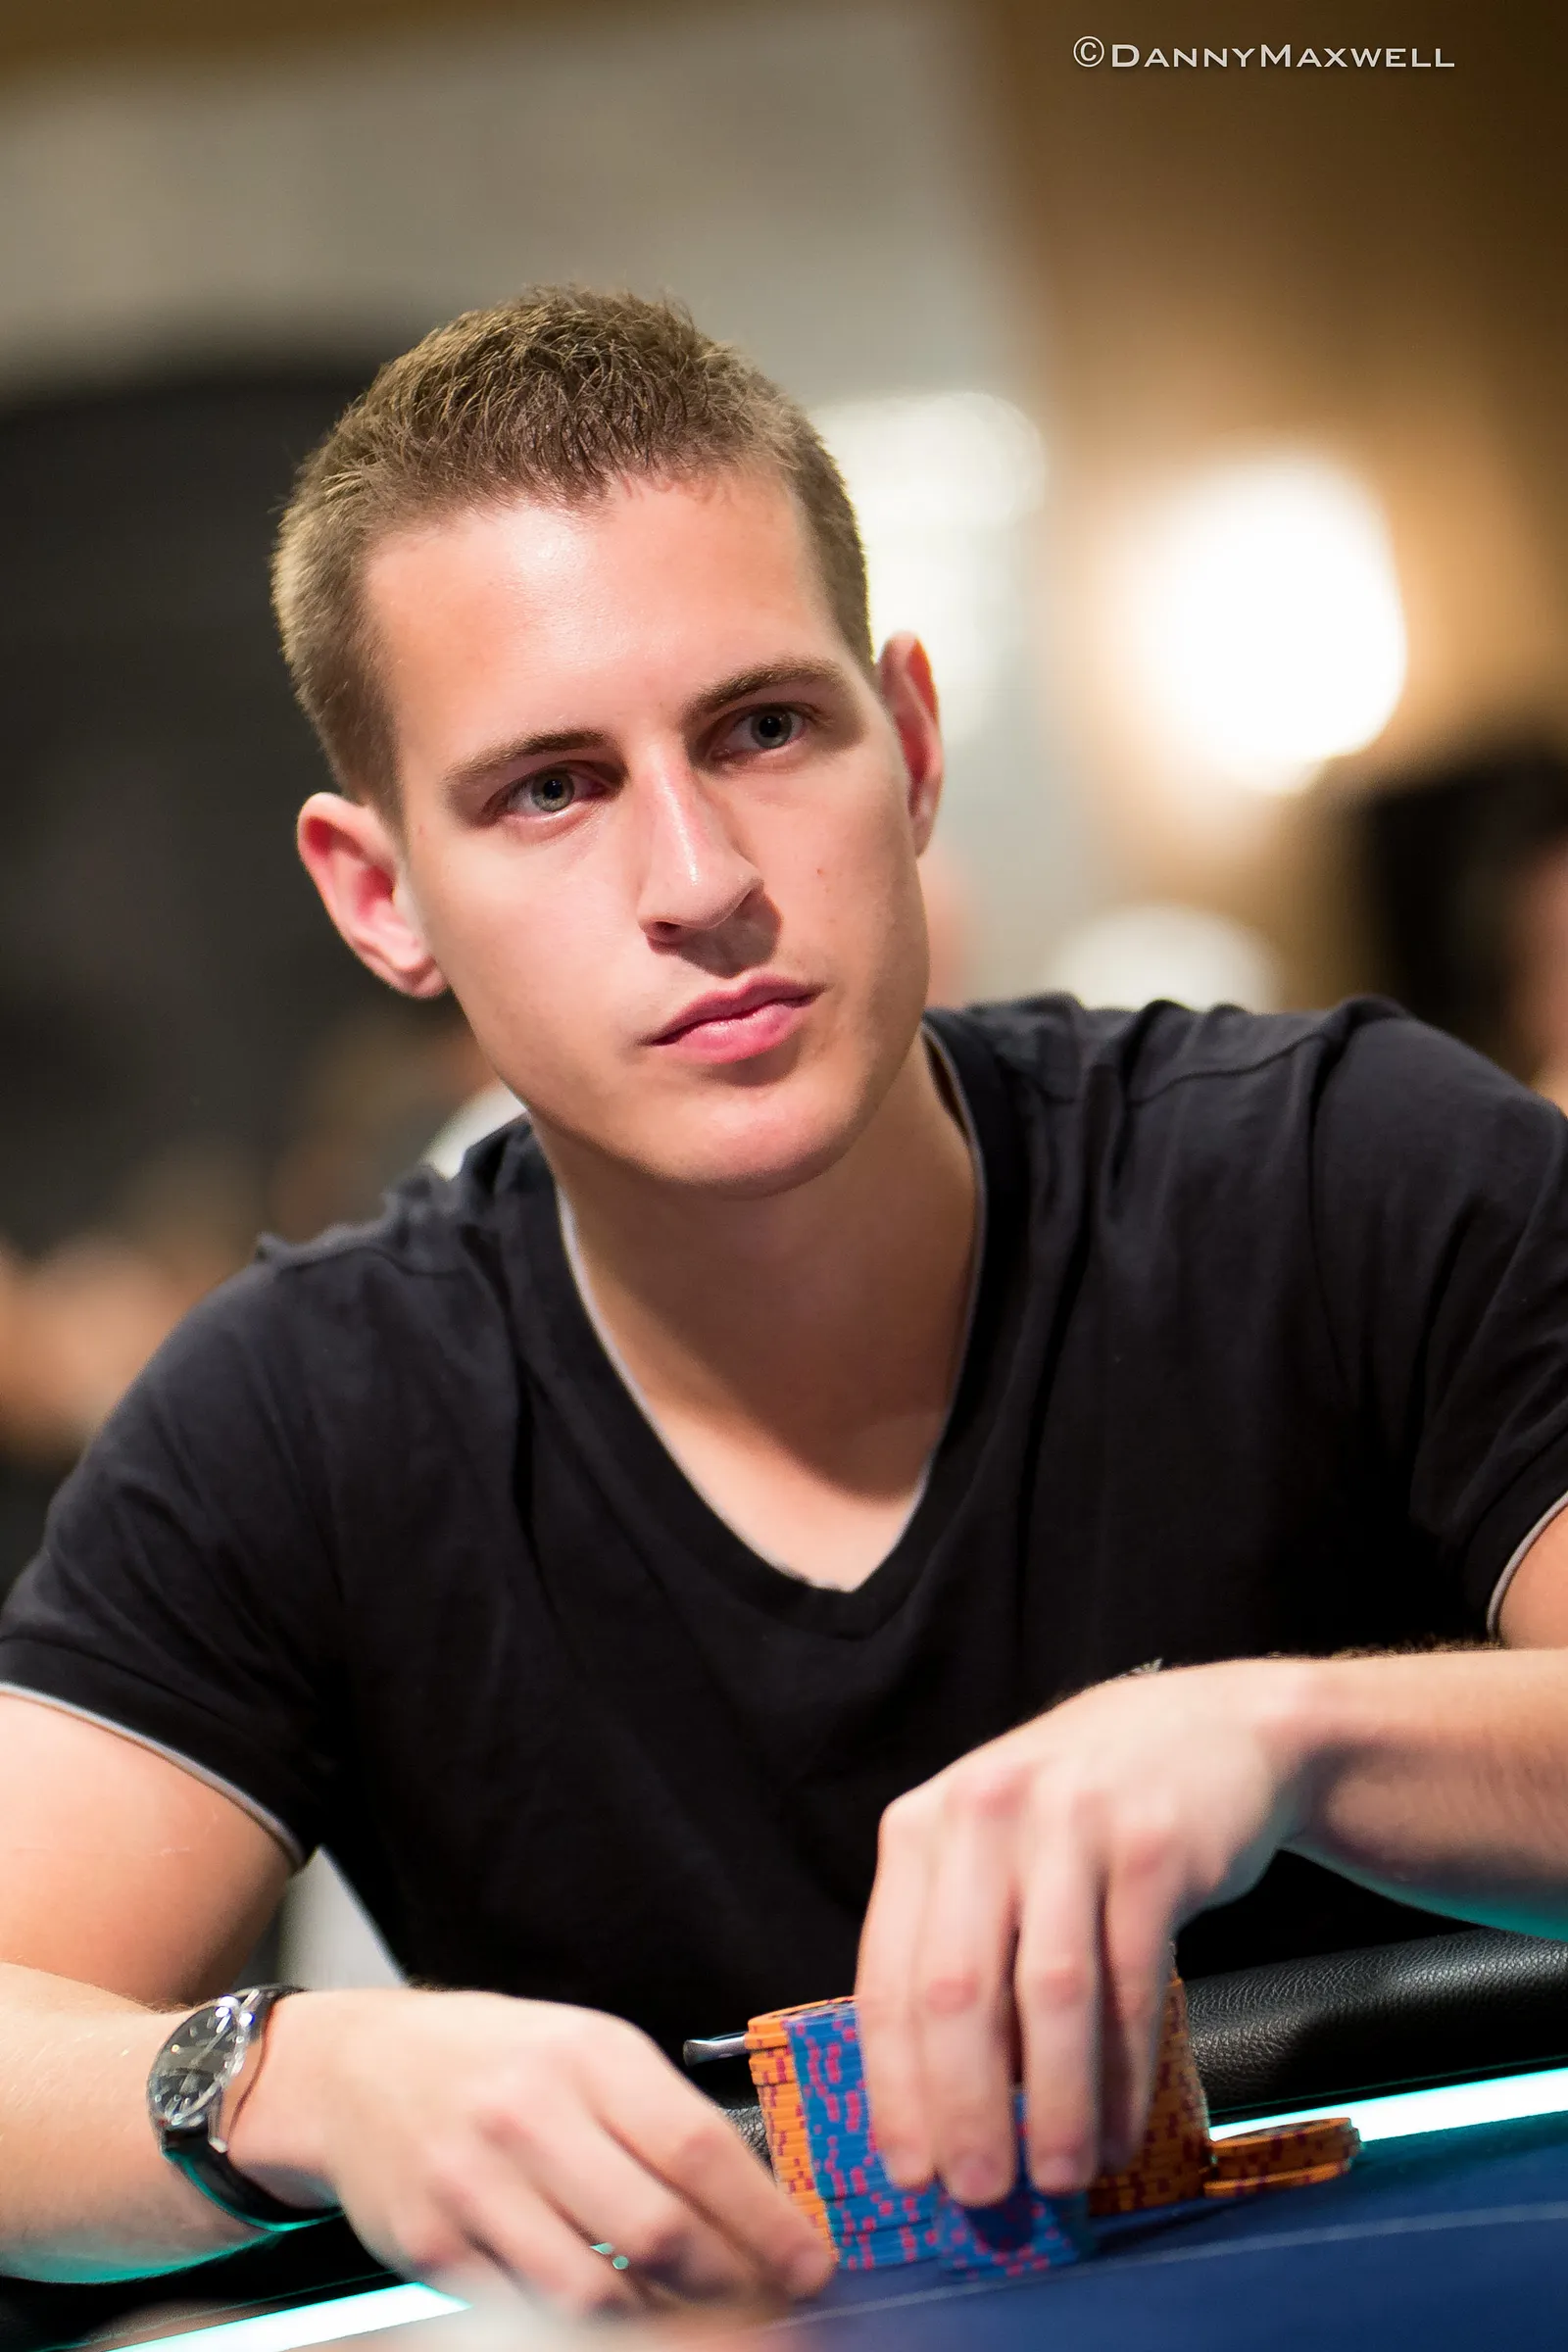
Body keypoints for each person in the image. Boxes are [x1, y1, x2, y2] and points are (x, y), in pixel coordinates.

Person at [2, 292, 1568, 2314]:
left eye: (760, 728)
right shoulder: (300, 1420)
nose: (698, 877)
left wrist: (1289, 1742)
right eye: (549, 787)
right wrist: (290, 2080)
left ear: (905, 746)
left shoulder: (1347, 1170)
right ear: (381, 898)